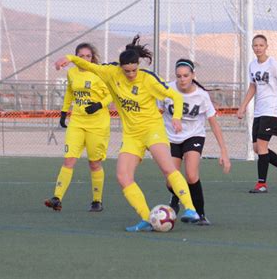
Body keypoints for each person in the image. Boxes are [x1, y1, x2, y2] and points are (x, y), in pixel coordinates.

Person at [55, 35, 200, 231]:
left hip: (152, 130)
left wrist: (176, 117)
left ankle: (190, 209)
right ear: (121, 67)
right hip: (131, 135)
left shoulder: (147, 79)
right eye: (127, 71)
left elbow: (174, 95)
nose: (131, 74)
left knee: (167, 168)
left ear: (138, 66)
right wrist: (69, 58)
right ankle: (146, 218)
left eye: (134, 70)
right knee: (123, 176)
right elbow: (90, 66)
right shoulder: (111, 73)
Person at [160, 58, 231, 225]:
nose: (182, 79)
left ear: (193, 75)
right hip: (170, 137)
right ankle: (175, 197)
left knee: (191, 175)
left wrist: (224, 152)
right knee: (171, 180)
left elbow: (214, 124)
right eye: (179, 76)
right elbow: (157, 113)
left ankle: (200, 214)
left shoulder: (201, 96)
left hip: (194, 136)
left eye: (186, 75)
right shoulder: (167, 90)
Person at [45, 43, 111, 212]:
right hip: (77, 123)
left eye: (87, 56)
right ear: (75, 58)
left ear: (92, 58)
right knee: (69, 160)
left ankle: (97, 201)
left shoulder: (98, 73)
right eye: (80, 56)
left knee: (94, 164)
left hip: (97, 125)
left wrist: (99, 105)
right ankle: (57, 198)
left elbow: (111, 94)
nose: (84, 59)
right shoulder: (72, 72)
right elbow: (69, 92)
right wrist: (63, 112)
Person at [237, 34, 277, 193]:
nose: (258, 48)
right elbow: (253, 87)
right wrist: (243, 106)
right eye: (255, 45)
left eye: (261, 45)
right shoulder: (253, 65)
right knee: (257, 148)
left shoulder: (273, 64)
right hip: (259, 111)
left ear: (266, 46)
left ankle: (261, 184)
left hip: (271, 111)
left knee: (262, 146)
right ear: (252, 47)